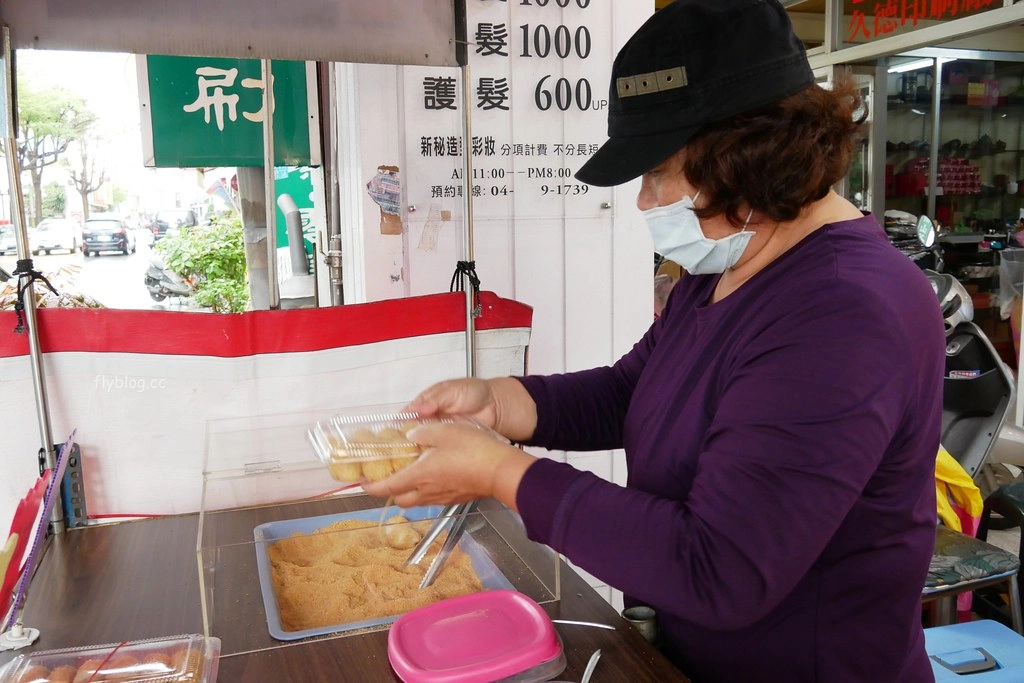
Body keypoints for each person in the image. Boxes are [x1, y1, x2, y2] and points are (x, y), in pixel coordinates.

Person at [363, 1, 946, 680]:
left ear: (746, 155)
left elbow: (720, 567)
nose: (644, 201)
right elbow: (636, 388)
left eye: (659, 171)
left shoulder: (845, 311)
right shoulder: (730, 260)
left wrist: (501, 472)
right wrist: (499, 401)